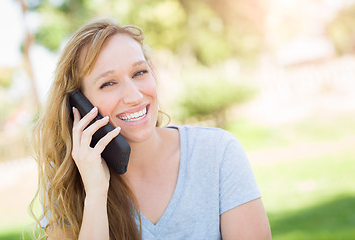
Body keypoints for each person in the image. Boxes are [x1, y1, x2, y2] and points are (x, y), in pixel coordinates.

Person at [30, 18, 271, 240]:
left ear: (153, 74)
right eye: (109, 83)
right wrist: (95, 194)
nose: (134, 96)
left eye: (139, 72)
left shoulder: (216, 153)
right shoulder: (67, 188)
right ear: (79, 105)